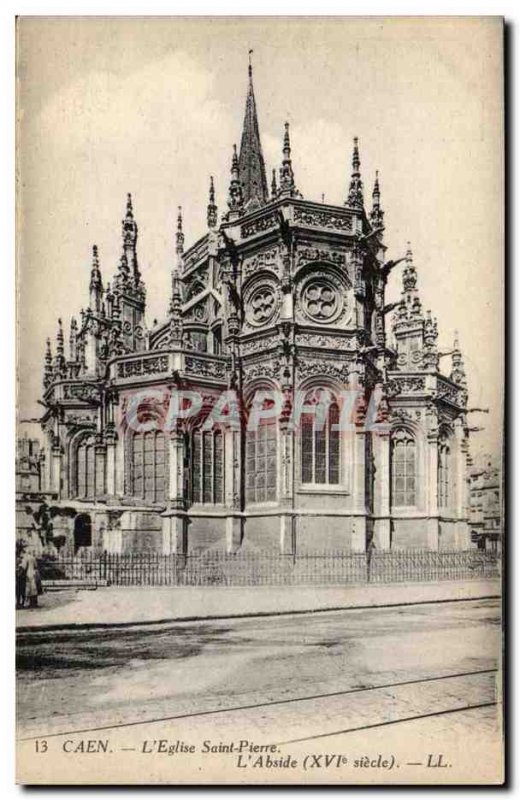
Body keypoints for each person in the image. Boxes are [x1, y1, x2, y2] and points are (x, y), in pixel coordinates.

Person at [16, 542, 27, 608]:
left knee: (20, 591)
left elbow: (23, 568)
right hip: (20, 576)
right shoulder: (20, 559)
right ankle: (19, 603)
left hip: (21, 576)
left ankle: (20, 603)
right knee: (19, 591)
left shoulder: (22, 559)